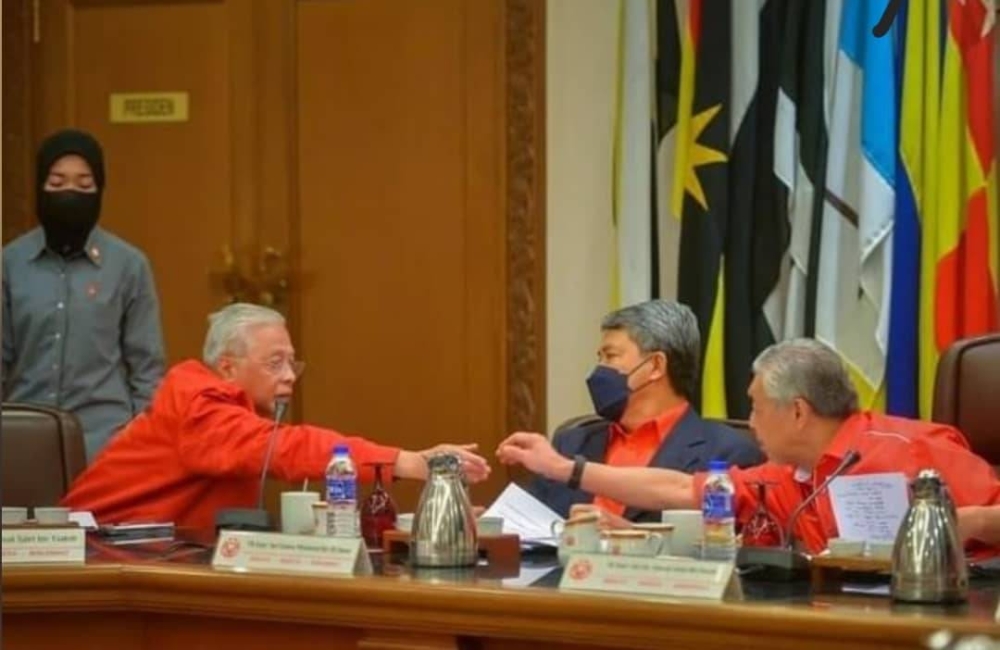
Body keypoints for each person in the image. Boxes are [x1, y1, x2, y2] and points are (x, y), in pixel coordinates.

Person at [499, 339, 1000, 556]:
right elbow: (678, 488)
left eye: (758, 408)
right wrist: (568, 469)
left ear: (798, 411)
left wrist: (967, 522)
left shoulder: (909, 449)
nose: (749, 423)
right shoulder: (785, 474)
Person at [62, 303, 490, 529]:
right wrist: (408, 461)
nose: (289, 377)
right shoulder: (199, 402)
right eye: (274, 364)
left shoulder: (231, 406)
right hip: (95, 556)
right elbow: (287, 447)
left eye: (292, 364)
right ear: (228, 366)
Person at [3, 129, 165, 460]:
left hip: (106, 442)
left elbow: (147, 366)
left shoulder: (128, 265)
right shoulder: (9, 263)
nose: (70, 193)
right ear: (40, 188)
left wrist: (140, 436)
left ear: (99, 190)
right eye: (57, 183)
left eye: (84, 184)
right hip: (22, 439)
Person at [527, 299, 762, 520]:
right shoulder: (571, 443)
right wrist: (492, 522)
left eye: (611, 356)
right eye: (600, 358)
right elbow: (526, 527)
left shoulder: (728, 455)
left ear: (655, 366)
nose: (599, 370)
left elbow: (723, 548)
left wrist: (631, 538)